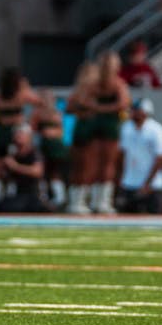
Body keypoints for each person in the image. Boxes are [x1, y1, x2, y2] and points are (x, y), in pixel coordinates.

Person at [87, 52, 131, 213]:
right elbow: (124, 103)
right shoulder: (118, 83)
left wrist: (98, 108)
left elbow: (85, 101)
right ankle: (103, 201)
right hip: (110, 124)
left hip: (97, 122)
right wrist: (107, 109)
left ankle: (94, 200)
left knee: (95, 162)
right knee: (108, 163)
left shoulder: (94, 84)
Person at [119, 98, 162, 213]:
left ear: (145, 112)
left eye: (136, 110)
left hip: (153, 186)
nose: (133, 113)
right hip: (130, 183)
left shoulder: (156, 130)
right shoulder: (126, 128)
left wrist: (148, 184)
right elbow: (122, 155)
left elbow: (161, 158)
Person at [65, 61, 99, 214]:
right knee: (85, 165)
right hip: (85, 128)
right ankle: (78, 201)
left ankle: (78, 200)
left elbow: (69, 108)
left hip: (82, 127)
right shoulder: (87, 92)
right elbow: (69, 108)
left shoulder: (79, 92)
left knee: (81, 165)